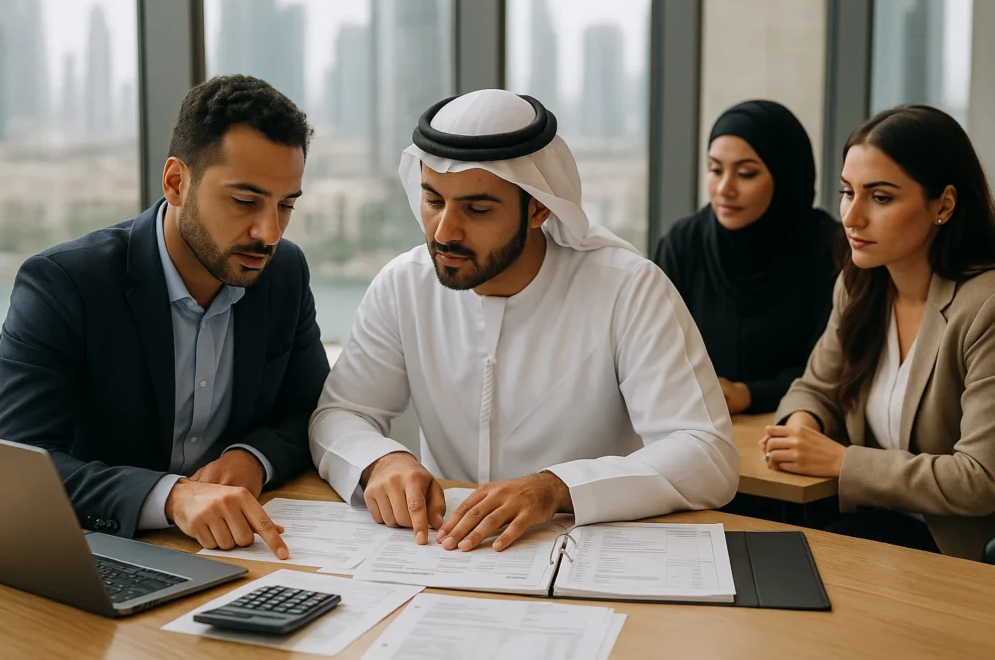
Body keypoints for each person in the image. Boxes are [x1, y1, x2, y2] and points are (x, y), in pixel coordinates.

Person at [310, 89, 739, 553]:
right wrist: (382, 460)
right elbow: (341, 413)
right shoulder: (403, 285)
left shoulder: (627, 288)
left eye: (477, 209)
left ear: (538, 208)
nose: (444, 232)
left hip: (583, 555)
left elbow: (708, 454)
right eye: (433, 201)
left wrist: (556, 489)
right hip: (440, 556)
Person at [0, 75, 330, 559]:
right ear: (176, 183)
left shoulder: (284, 272)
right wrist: (172, 497)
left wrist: (252, 458)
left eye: (286, 205)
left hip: (232, 549)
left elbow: (309, 411)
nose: (268, 233)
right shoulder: (65, 284)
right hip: (98, 551)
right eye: (245, 201)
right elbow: (18, 468)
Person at [762, 105, 995, 560]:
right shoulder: (859, 284)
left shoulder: (984, 308)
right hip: (870, 526)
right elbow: (814, 387)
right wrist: (802, 427)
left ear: (943, 205)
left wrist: (841, 462)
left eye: (881, 197)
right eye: (848, 192)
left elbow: (980, 478)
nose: (851, 217)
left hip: (952, 553)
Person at [655, 100, 840, 415]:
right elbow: (653, 352)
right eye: (715, 170)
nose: (724, 189)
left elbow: (838, 370)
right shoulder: (683, 243)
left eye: (746, 173)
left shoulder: (830, 250)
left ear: (785, 176)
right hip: (693, 426)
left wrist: (750, 394)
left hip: (798, 427)